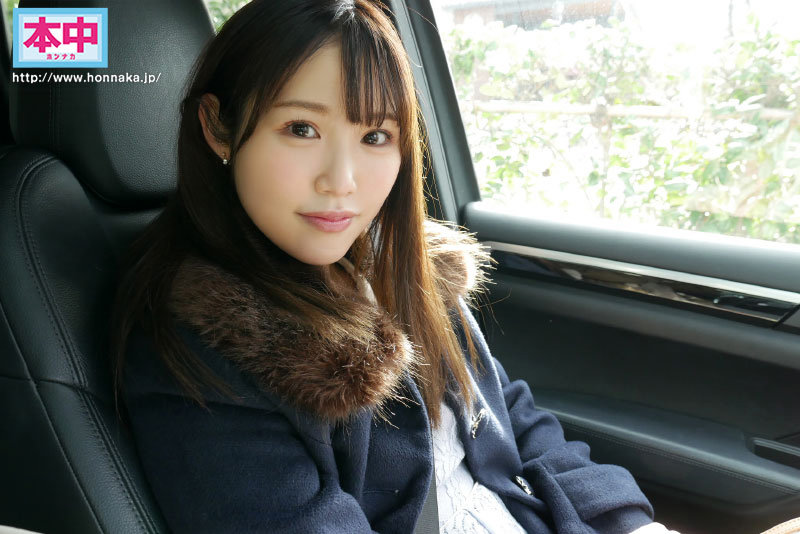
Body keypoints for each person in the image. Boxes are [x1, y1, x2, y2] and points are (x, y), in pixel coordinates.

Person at [109, 1, 680, 532]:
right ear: (218, 128)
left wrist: (627, 523)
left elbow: (509, 415)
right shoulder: (206, 344)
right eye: (301, 129)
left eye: (375, 135)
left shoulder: (397, 263)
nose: (342, 181)